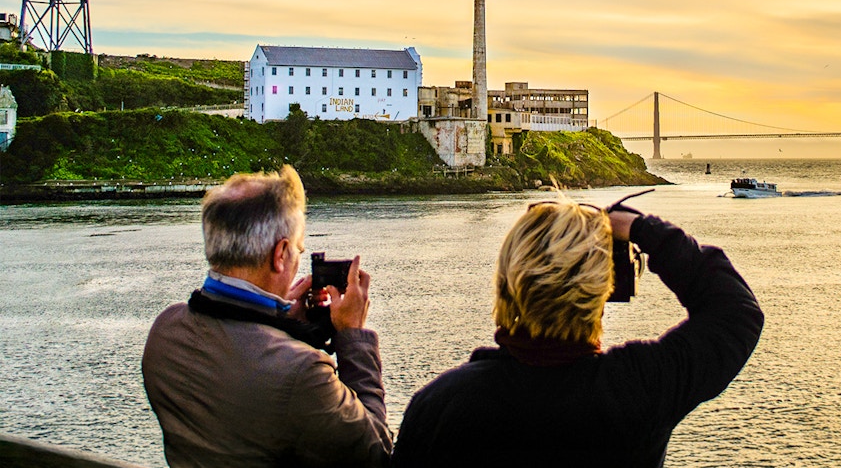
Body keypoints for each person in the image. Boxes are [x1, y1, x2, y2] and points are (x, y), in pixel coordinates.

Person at [391, 192, 764, 467]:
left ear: (507, 277)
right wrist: (641, 228)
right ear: (607, 285)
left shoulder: (442, 404)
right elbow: (735, 312)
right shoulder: (638, 389)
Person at [142, 165, 392, 467]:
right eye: (298, 250)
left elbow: (241, 361)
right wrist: (353, 335)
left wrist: (283, 324)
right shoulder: (302, 372)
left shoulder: (166, 330)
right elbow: (376, 452)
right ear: (280, 253)